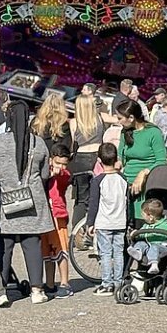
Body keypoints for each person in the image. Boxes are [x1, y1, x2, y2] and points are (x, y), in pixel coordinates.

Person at [0, 100, 54, 305]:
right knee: (32, 243)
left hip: (5, 198)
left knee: (4, 245)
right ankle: (36, 289)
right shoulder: (38, 143)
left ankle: (0, 289)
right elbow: (44, 174)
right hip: (32, 198)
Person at [85, 143, 128, 294]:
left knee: (105, 253)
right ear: (116, 159)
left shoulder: (98, 181)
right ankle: (119, 281)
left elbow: (94, 203)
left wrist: (90, 223)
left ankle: (106, 283)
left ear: (99, 160)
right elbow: (126, 201)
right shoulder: (123, 179)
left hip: (104, 222)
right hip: (120, 221)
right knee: (118, 252)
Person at [117, 98, 166, 217]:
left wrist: (143, 173)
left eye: (120, 118)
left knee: (141, 219)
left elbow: (162, 160)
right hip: (127, 183)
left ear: (131, 118)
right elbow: (120, 157)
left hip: (147, 184)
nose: (118, 122)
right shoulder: (125, 132)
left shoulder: (153, 133)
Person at [69, 93, 103, 233]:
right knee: (98, 195)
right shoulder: (99, 119)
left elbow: (73, 144)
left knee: (80, 198)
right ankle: (96, 228)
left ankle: (78, 232)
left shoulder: (74, 122)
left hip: (81, 158)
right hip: (97, 156)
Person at [42, 148, 73, 296]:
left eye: (64, 163)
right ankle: (49, 283)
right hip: (44, 216)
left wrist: (56, 171)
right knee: (47, 253)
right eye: (58, 163)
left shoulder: (64, 174)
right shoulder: (45, 171)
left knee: (61, 250)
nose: (61, 166)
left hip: (58, 216)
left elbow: (63, 177)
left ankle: (65, 282)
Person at [128, 198, 167, 275]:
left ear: (150, 217)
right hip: (149, 245)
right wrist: (135, 233)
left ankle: (154, 264)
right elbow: (141, 234)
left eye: (143, 215)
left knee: (154, 247)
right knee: (141, 243)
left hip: (163, 248)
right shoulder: (146, 226)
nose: (142, 216)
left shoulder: (165, 226)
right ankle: (138, 252)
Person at [31, 92, 72, 160]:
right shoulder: (64, 125)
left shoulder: (35, 122)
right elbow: (65, 148)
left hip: (35, 156)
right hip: (52, 160)